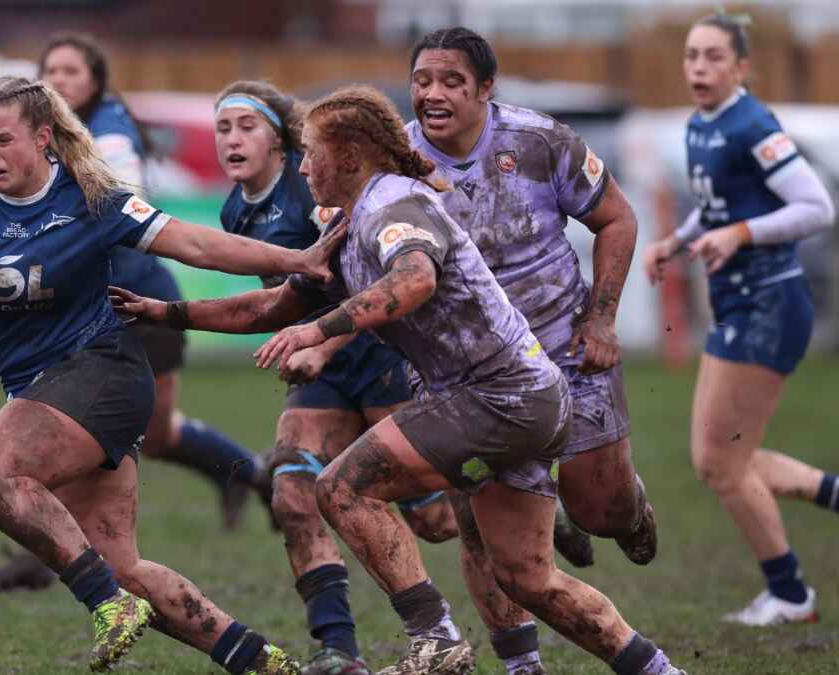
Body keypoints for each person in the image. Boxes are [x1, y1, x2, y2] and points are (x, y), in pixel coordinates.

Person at [114, 85, 685, 675]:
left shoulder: (395, 206)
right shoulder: (348, 221)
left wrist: (320, 331)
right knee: (528, 578)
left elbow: (414, 280)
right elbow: (270, 307)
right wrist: (167, 312)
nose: (302, 167)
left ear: (350, 155)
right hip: (517, 398)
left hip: (497, 396)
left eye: (312, 154)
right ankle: (658, 670)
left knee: (341, 489)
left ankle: (435, 638)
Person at [0, 76, 344, 673]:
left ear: (42, 137)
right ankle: (265, 662)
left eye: (2, 140)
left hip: (103, 372)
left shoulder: (91, 197)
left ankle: (106, 603)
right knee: (123, 568)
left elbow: (195, 244)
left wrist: (297, 258)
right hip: (46, 390)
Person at [400, 26, 657, 673]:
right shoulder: (395, 162)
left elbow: (618, 218)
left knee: (600, 510)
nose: (433, 94)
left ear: (485, 89)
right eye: (422, 81)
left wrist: (602, 321)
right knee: (479, 527)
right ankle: (522, 664)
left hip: (567, 350)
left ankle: (627, 507)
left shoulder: (539, 141)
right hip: (465, 376)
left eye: (451, 81)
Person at [0, 32, 267, 593]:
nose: (59, 80)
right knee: (65, 433)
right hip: (88, 315)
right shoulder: (36, 142)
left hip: (137, 307)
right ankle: (41, 557)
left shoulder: (107, 134)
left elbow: (116, 201)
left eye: (72, 72)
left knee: (140, 436)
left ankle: (249, 473)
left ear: (97, 81)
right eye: (50, 70)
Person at [213, 80, 418, 675]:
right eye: (223, 128)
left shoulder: (311, 191)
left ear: (280, 140)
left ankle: (511, 484)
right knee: (292, 495)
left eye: (246, 126)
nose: (232, 139)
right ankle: (338, 649)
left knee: (434, 518)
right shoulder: (235, 209)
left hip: (378, 357)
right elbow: (276, 302)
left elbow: (372, 279)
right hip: (319, 375)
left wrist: (325, 343)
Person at [642, 10, 835, 627]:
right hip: (738, 305)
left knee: (720, 464)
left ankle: (791, 593)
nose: (699, 67)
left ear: (741, 66)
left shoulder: (752, 124)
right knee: (722, 459)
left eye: (714, 56)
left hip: (769, 306)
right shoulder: (701, 124)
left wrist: (742, 234)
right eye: (692, 55)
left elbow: (816, 207)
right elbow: (716, 205)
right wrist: (677, 241)